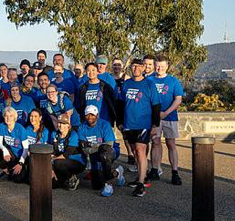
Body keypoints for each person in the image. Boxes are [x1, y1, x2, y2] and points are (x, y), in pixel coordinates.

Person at [119, 58, 161, 197]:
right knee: (135, 152)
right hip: (128, 124)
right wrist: (119, 121)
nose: (136, 68)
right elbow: (120, 103)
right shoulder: (126, 84)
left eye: (138, 66)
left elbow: (156, 106)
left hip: (143, 124)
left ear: (143, 68)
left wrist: (155, 125)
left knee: (140, 150)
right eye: (133, 66)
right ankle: (140, 177)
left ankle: (141, 185)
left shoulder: (149, 84)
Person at [148, 54, 184, 185]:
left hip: (170, 117)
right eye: (157, 66)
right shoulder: (149, 80)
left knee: (171, 144)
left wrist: (166, 112)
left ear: (167, 66)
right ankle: (154, 170)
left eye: (162, 66)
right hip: (154, 118)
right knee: (155, 143)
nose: (159, 69)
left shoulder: (173, 81)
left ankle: (175, 172)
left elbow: (178, 99)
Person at [77, 106, 125, 196]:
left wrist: (91, 145)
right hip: (93, 155)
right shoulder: (82, 128)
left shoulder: (105, 124)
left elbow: (109, 144)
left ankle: (108, 185)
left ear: (97, 115)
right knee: (96, 186)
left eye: (92, 114)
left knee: (105, 154)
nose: (90, 117)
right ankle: (117, 172)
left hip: (111, 151)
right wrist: (98, 146)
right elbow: (85, 149)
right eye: (87, 114)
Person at [0, 107, 29, 183]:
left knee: (18, 179)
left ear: (15, 118)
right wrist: (4, 150)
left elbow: (26, 149)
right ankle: (6, 170)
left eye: (11, 116)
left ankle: (8, 171)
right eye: (6, 116)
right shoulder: (2, 126)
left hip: (21, 156)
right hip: (10, 155)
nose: (8, 118)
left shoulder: (20, 129)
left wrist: (20, 163)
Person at [50, 115, 85, 190]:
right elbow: (52, 151)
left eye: (63, 123)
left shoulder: (73, 135)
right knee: (52, 184)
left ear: (68, 125)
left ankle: (71, 178)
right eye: (59, 123)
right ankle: (64, 179)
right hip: (60, 161)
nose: (61, 125)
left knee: (58, 163)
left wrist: (52, 161)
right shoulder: (54, 134)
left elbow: (66, 155)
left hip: (77, 162)